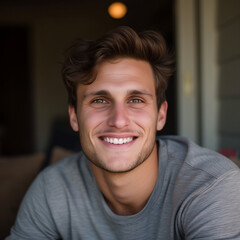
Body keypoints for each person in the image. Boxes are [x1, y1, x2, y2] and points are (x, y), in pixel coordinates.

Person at [6, 26, 240, 240]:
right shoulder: (53, 188)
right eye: (99, 100)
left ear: (160, 115)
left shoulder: (211, 187)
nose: (118, 120)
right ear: (74, 117)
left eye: (136, 100)